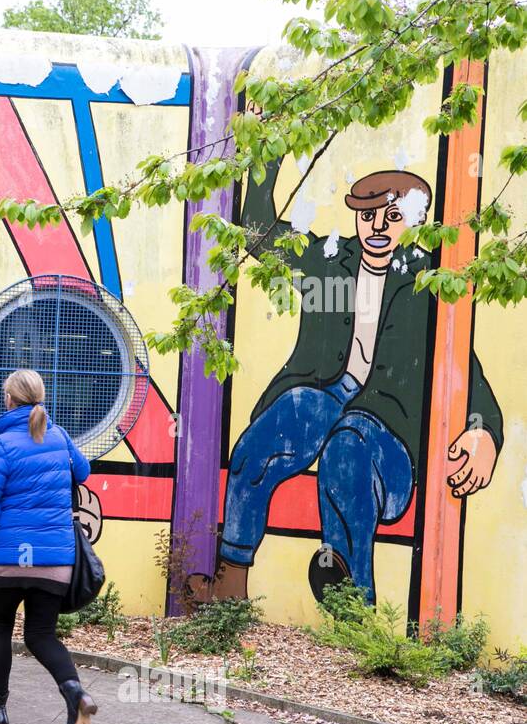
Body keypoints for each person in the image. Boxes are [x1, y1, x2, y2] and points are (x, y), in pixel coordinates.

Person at [187, 160, 501, 607]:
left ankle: (355, 607)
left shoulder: (430, 280)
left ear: (414, 222)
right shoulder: (327, 261)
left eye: (393, 217)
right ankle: (231, 587)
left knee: (347, 450)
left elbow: (464, 365)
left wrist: (483, 429)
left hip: (384, 418)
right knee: (258, 444)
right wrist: (269, 152)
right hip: (323, 395)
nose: (378, 226)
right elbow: (257, 230)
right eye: (368, 215)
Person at [0, 369, 98, 724]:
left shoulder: (0, 445)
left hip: (9, 559)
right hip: (54, 559)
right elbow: (84, 471)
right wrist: (53, 433)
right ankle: (76, 695)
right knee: (41, 635)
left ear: (8, 400)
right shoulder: (57, 436)